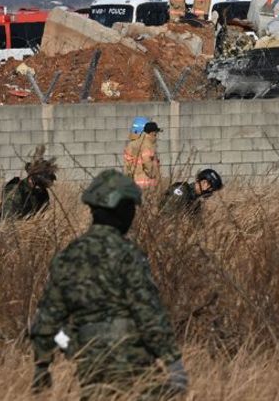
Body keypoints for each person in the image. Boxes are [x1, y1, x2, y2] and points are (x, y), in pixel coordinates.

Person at [29, 170, 186, 397]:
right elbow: (149, 314)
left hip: (89, 365)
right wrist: (173, 364)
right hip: (134, 365)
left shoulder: (68, 256)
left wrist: (42, 367)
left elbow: (46, 317)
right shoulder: (128, 255)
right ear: (122, 210)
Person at [0, 145, 59, 220]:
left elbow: (43, 217)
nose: (40, 189)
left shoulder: (42, 193)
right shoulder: (15, 189)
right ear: (32, 178)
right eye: (40, 185)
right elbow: (8, 218)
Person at [131, 121, 163, 192]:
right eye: (155, 134)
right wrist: (154, 174)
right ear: (152, 133)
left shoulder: (139, 142)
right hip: (146, 181)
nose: (156, 136)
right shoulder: (147, 144)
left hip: (138, 180)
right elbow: (147, 161)